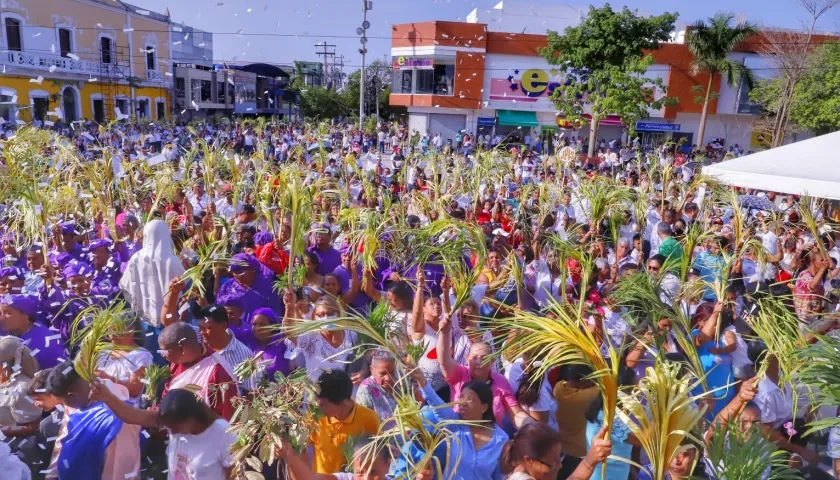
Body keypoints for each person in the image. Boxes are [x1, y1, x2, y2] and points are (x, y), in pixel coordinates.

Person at [406, 361, 508, 480]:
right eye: (461, 397)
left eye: (469, 399)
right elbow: (435, 402)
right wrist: (421, 379)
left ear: (484, 407)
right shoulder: (455, 425)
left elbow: (500, 476)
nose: (462, 403)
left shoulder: (501, 440)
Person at [44, 360, 142, 480]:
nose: (66, 406)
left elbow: (119, 471)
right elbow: (64, 438)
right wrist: (52, 474)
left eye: (64, 402)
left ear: (72, 395)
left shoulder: (120, 422)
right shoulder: (80, 403)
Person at [119, 219, 186, 352]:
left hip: (144, 317)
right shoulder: (172, 261)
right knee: (168, 348)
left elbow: (125, 285)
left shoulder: (137, 258)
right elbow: (185, 287)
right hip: (169, 317)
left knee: (149, 349)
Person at [159, 322, 239, 419]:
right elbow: (168, 393)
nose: (162, 355)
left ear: (181, 349)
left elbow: (228, 418)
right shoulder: (177, 360)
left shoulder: (218, 372)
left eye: (165, 351)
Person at [310, 370, 379, 474]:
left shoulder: (369, 419)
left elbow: (377, 455)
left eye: (324, 405)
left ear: (345, 402)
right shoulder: (314, 417)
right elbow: (298, 451)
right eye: (317, 403)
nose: (318, 409)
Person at [503, 422, 612, 480]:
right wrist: (589, 462)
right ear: (529, 460)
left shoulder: (523, 468)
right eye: (553, 463)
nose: (560, 466)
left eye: (559, 457)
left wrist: (590, 460)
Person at [94, 314, 153, 407]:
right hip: (99, 404)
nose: (112, 336)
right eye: (109, 331)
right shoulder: (104, 351)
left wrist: (108, 378)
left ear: (131, 330)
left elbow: (135, 390)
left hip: (124, 408)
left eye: (117, 331)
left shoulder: (141, 356)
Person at [194, 304, 257, 391]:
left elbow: (250, 391)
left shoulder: (245, 355)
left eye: (207, 328)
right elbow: (170, 322)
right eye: (200, 328)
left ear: (223, 325)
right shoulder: (196, 339)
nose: (202, 332)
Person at [0, 295, 63, 369]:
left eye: (8, 313)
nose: (1, 318)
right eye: (1, 313)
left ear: (26, 316)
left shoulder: (42, 342)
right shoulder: (14, 329)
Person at [0, 337, 42, 439]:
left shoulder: (23, 389)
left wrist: (2, 430)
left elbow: (32, 428)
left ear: (4, 366)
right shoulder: (3, 379)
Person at [355, 350, 399, 422]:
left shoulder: (400, 381)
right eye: (382, 374)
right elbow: (364, 423)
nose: (388, 378)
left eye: (392, 372)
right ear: (372, 369)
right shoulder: (365, 390)